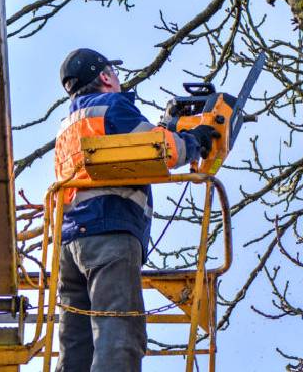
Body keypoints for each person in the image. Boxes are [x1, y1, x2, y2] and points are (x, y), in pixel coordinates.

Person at [53, 48, 217, 372]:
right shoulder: (113, 107)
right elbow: (162, 150)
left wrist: (165, 127)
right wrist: (195, 140)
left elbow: (129, 150)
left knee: (76, 346)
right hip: (109, 234)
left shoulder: (68, 124)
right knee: (118, 333)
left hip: (70, 244)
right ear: (104, 77)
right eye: (113, 73)